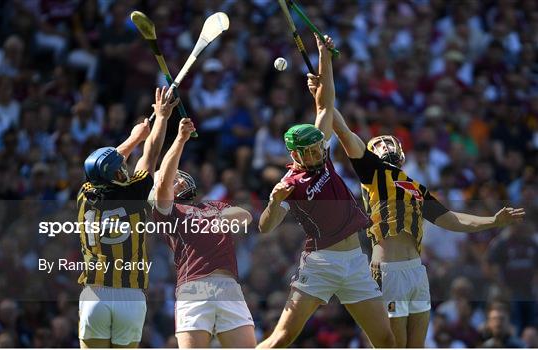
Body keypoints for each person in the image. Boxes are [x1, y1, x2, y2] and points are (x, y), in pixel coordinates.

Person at [308, 73, 526, 346]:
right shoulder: (371, 172)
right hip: (389, 271)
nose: (385, 145)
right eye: (380, 143)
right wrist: (322, 94)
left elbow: (452, 219)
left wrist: (492, 221)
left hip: (416, 271)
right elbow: (341, 128)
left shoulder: (415, 187)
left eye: (389, 142)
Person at [256, 35, 394, 348]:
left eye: (319, 147)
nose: (319, 153)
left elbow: (325, 104)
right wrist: (273, 202)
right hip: (321, 264)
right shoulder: (292, 184)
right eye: (311, 152)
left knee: (386, 340)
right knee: (282, 338)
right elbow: (265, 227)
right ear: (296, 155)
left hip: (356, 262)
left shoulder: (324, 158)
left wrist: (324, 55)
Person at [77, 87, 178, 348]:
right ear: (119, 175)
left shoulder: (85, 194)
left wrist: (132, 138)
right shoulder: (134, 193)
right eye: (122, 168)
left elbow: (99, 166)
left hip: (94, 295)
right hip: (130, 297)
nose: (126, 167)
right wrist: (162, 118)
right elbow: (151, 154)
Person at [151, 117, 256, 348]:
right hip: (194, 287)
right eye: (170, 178)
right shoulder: (168, 212)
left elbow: (245, 216)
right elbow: (162, 186)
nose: (177, 179)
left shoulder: (211, 205)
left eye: (177, 176)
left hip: (229, 287)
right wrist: (180, 139)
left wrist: (218, 217)